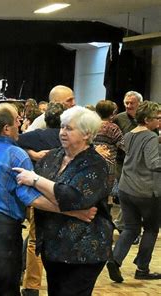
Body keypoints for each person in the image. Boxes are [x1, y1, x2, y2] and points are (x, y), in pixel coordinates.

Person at [0, 103, 98, 295]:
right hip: (1, 232)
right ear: (6, 129)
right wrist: (73, 211)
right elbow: (29, 198)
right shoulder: (16, 155)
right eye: (17, 120)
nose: (20, 123)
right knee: (7, 290)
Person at [15, 106, 113, 296]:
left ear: (86, 134)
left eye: (69, 128)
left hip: (83, 251)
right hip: (53, 248)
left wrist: (36, 180)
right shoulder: (52, 156)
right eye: (62, 127)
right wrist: (70, 211)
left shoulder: (95, 163)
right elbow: (30, 195)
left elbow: (73, 198)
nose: (62, 133)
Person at [106, 101, 161, 283]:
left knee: (130, 228)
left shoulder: (129, 134)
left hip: (126, 189)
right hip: (146, 191)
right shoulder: (151, 136)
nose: (159, 121)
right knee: (151, 229)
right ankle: (142, 268)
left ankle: (115, 259)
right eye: (157, 118)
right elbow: (154, 163)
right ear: (147, 119)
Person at [17, 102, 64, 296]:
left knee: (35, 241)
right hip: (62, 193)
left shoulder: (35, 136)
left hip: (39, 193)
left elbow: (15, 140)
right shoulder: (70, 138)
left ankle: (31, 286)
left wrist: (33, 154)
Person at [112, 91, 143, 234]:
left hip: (140, 163)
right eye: (126, 103)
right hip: (121, 162)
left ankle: (124, 225)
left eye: (132, 103)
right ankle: (125, 225)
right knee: (127, 194)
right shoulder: (118, 119)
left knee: (133, 196)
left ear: (140, 104)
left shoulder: (145, 119)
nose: (129, 106)